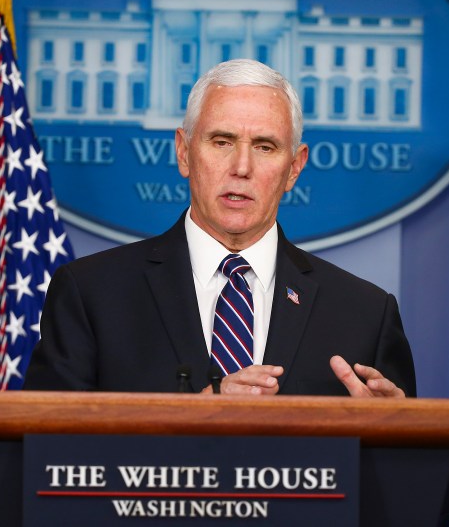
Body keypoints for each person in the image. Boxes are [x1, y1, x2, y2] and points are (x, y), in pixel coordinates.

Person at [23, 59, 416, 397]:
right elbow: (46, 452)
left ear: (294, 168)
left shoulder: (363, 314)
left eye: (265, 146)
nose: (241, 167)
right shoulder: (93, 295)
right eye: (222, 141)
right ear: (184, 152)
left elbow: (410, 476)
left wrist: (396, 437)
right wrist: (196, 417)